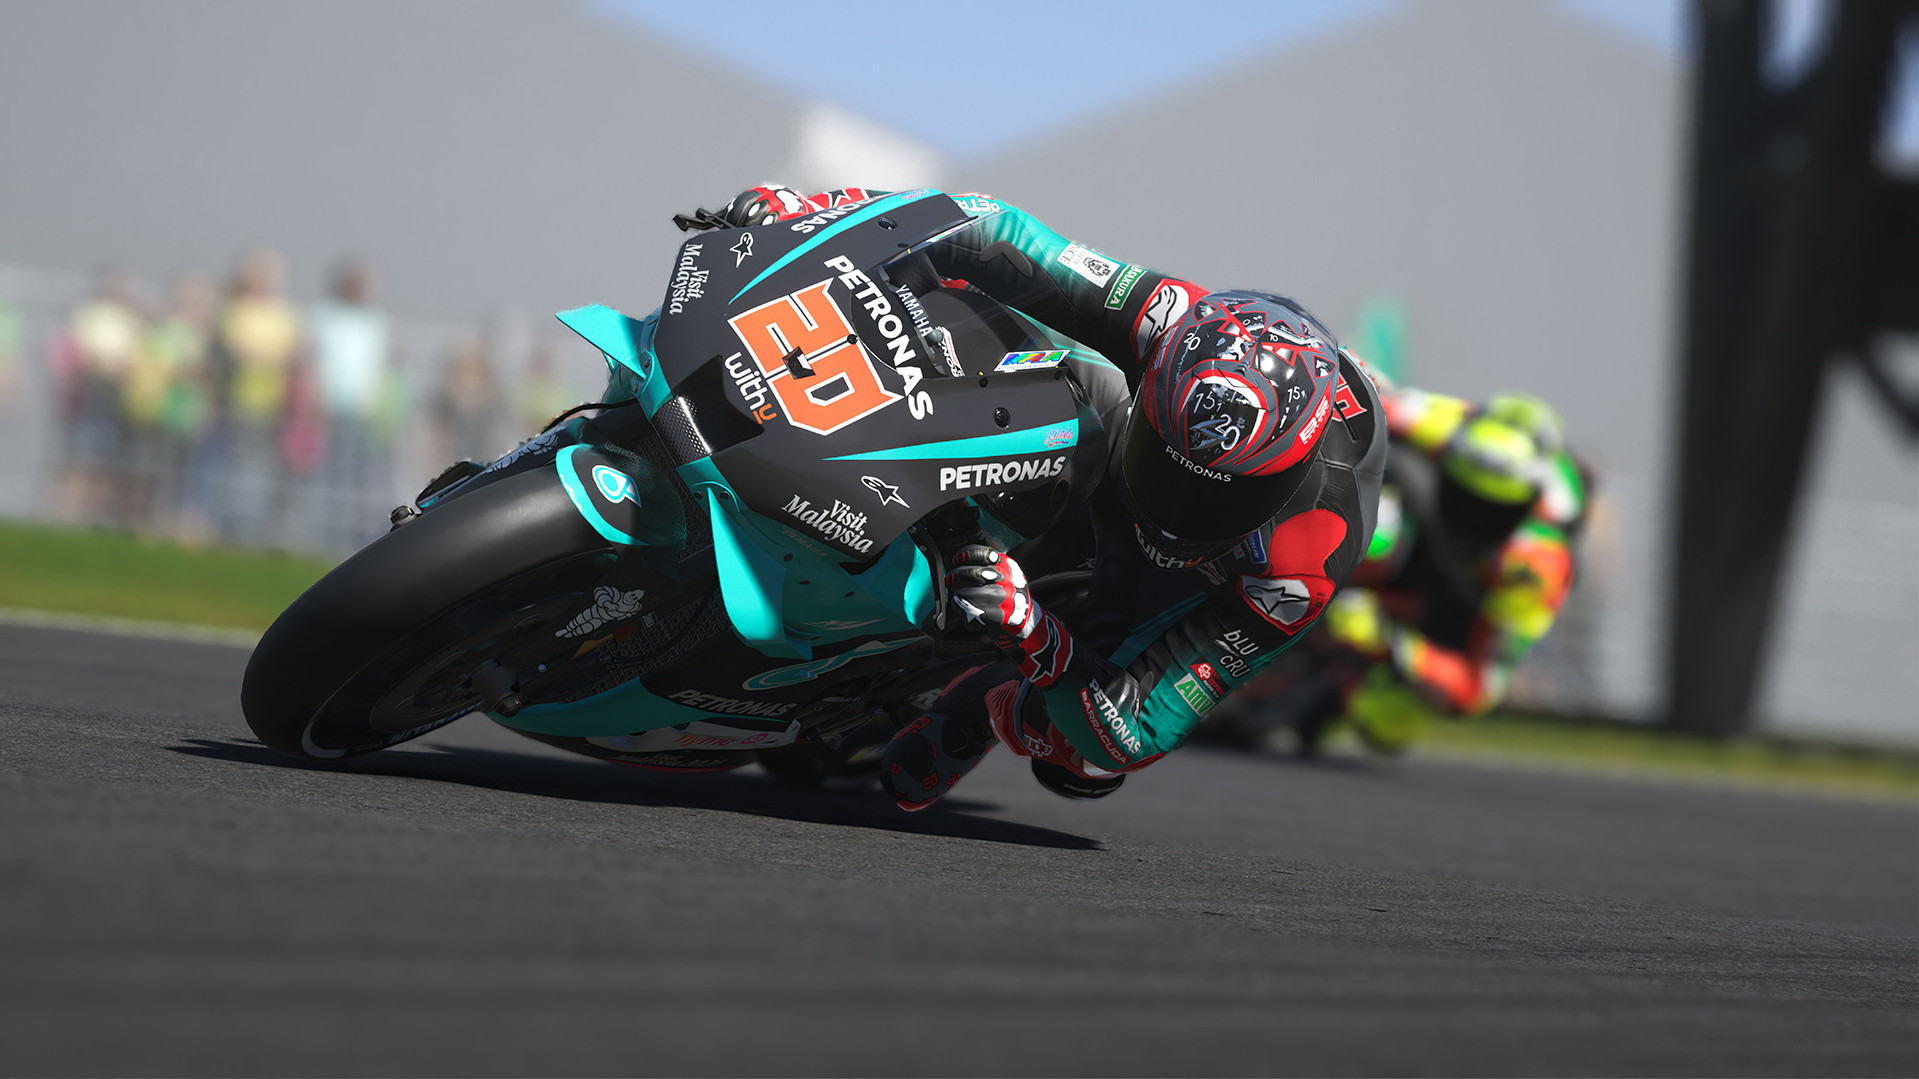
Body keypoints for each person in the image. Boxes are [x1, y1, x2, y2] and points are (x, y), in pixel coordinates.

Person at [706, 186, 1387, 808]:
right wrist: (811, 211)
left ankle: (985, 697)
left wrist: (1033, 631)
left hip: (1201, 575)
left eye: (1217, 499)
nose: (1176, 512)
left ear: (1286, 477)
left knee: (1082, 761)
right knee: (961, 305)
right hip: (1116, 438)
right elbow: (989, 228)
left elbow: (1139, 731)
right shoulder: (1169, 320)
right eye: (1167, 466)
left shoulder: (1300, 568)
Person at [1225, 385, 1591, 755]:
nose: (1469, 518)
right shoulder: (1446, 424)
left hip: (1463, 607)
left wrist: (1389, 642)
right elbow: (1343, 392)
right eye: (1462, 495)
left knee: (1385, 718)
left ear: (1526, 505)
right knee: (1373, 506)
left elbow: (1479, 686)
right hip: (1418, 536)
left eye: (1491, 511)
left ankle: (1331, 690)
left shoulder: (1536, 568)